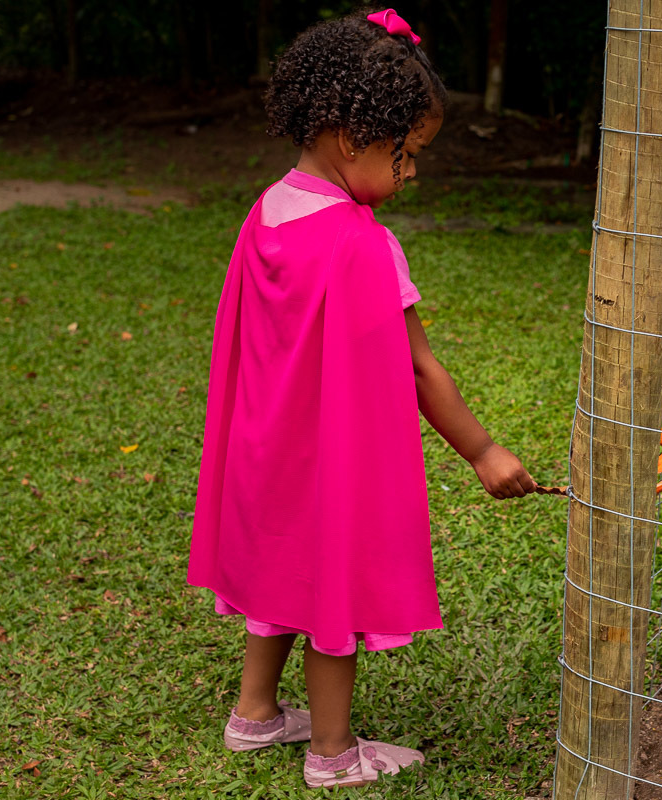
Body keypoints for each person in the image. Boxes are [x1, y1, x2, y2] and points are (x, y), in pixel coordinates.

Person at [187, 7, 536, 789]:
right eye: (405, 156)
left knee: (276, 583)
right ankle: (334, 755)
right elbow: (417, 368)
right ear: (353, 140)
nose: (411, 175)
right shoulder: (361, 241)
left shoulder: (265, 211)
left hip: (263, 448)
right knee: (329, 597)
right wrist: (482, 450)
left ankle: (255, 715)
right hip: (326, 459)